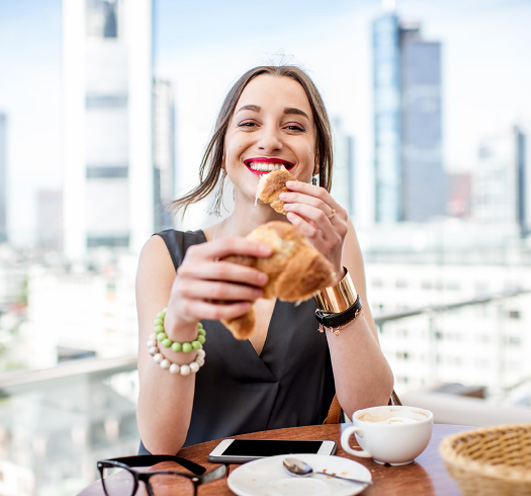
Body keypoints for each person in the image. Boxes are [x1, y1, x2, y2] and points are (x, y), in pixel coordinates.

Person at [135, 65, 394, 455]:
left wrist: (330, 276)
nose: (270, 141)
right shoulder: (166, 256)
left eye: (293, 127)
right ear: (224, 151)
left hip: (302, 481)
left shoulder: (336, 239)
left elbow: (370, 409)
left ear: (317, 155)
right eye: (250, 123)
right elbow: (160, 443)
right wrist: (181, 320)